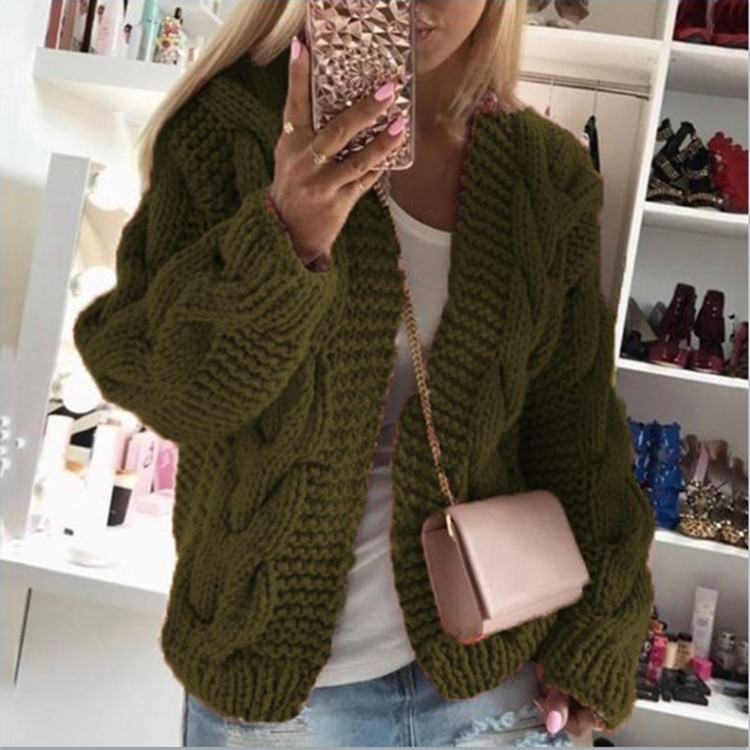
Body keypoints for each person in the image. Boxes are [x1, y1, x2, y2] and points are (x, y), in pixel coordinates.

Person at [72, 0, 656, 746]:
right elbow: (165, 389)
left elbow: (578, 435)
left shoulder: (545, 175)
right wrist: (284, 235)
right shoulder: (228, 126)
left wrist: (601, 633)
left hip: (491, 682)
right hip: (279, 696)